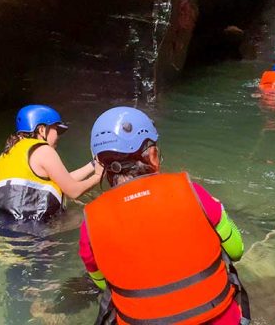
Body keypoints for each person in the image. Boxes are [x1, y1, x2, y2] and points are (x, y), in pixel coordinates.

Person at [78, 107, 249, 325]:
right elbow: (236, 250)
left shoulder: (90, 222)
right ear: (152, 155)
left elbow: (103, 284)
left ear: (101, 167)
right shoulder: (193, 191)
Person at [0, 104, 103, 233]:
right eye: (57, 129)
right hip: (33, 234)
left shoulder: (7, 154)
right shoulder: (44, 150)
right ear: (41, 130)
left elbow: (62, 182)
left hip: (3, 228)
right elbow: (73, 191)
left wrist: (94, 165)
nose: (58, 136)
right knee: (93, 216)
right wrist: (98, 177)